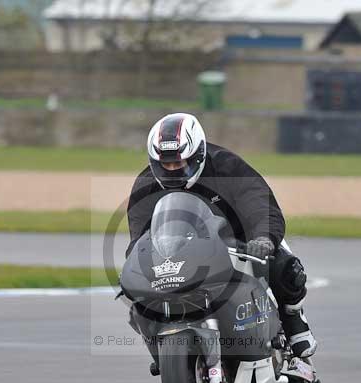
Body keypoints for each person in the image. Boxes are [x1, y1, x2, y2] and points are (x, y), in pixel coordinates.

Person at [126, 112, 318, 359]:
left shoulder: (228, 167)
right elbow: (139, 234)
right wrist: (135, 263)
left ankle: (293, 318)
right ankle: (165, 356)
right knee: (138, 304)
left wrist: (263, 238)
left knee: (283, 264)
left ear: (198, 155)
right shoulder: (145, 185)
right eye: (166, 165)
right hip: (179, 255)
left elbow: (258, 203)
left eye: (179, 163)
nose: (172, 170)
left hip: (237, 242)